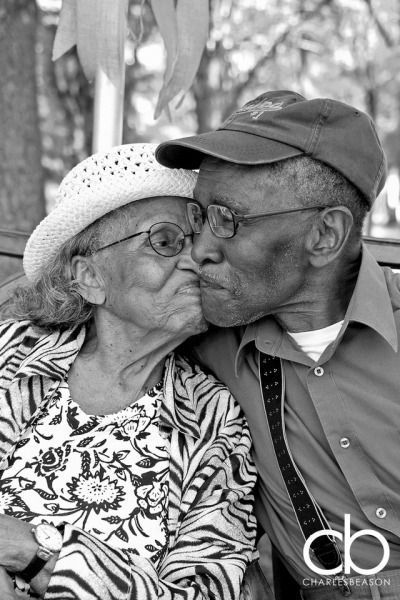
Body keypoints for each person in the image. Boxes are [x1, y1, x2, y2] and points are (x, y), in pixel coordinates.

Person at [155, 90, 400, 600]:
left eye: (229, 218)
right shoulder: (201, 334)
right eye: (197, 216)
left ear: (325, 235)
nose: (199, 250)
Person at [0, 143, 258, 600]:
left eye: (198, 239)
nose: (197, 259)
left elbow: (206, 592)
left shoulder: (214, 420)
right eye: (165, 240)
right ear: (90, 278)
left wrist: (36, 557)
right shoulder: (12, 353)